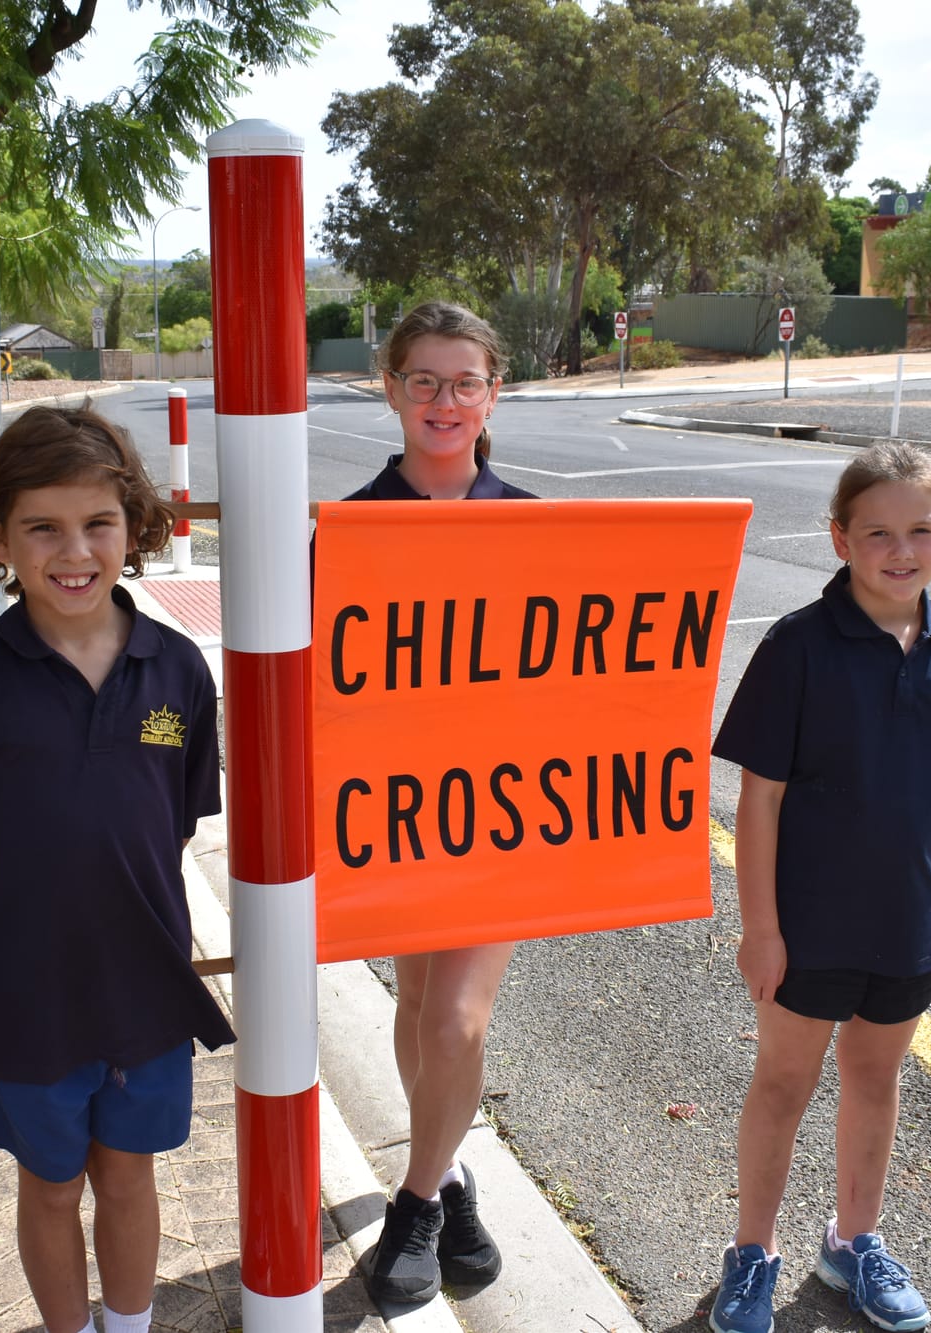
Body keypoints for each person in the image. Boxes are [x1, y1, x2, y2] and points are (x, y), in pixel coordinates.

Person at [0, 406, 232, 1333]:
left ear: (135, 527)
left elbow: (171, 823)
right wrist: (27, 910)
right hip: (28, 989)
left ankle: (129, 1325)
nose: (74, 550)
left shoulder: (177, 669)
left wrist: (115, 907)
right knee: (51, 1183)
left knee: (129, 1174)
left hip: (145, 980)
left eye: (98, 523)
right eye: (43, 528)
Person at [704, 442, 931, 1333]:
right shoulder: (799, 646)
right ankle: (752, 1254)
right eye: (877, 531)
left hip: (910, 923)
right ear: (840, 538)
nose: (900, 549)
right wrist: (761, 928)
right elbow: (759, 798)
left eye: (921, 529)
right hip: (808, 925)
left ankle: (853, 1242)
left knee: (876, 1077)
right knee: (784, 1083)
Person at [351, 302, 535, 1307]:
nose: (443, 400)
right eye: (422, 380)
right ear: (390, 388)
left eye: (463, 382)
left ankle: (415, 1203)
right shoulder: (345, 527)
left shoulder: (529, 520)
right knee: (418, 1008)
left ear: (491, 393)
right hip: (392, 812)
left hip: (501, 816)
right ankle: (455, 1176)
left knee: (458, 1020)